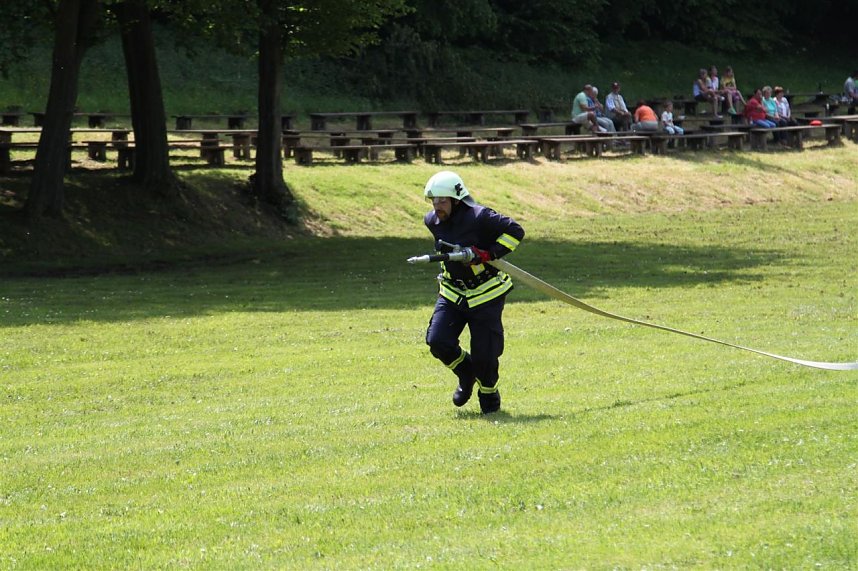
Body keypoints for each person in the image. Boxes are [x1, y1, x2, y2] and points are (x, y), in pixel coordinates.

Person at [421, 171, 525, 414]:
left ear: (457, 199)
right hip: (452, 292)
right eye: (434, 201)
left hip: (486, 293)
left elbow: (516, 232)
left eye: (443, 201)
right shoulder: (431, 221)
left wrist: (488, 253)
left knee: (485, 355)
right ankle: (466, 373)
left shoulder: (481, 217)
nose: (437, 206)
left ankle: (489, 398)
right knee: (438, 341)